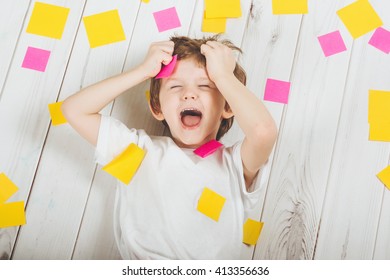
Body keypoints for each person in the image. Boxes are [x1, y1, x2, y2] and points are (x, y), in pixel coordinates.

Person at [62, 35, 278, 259]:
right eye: (175, 86)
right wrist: (143, 71)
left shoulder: (235, 164)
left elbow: (263, 132)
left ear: (229, 105)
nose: (189, 93)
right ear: (157, 107)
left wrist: (223, 75)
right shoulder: (139, 151)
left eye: (205, 85)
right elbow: (74, 110)